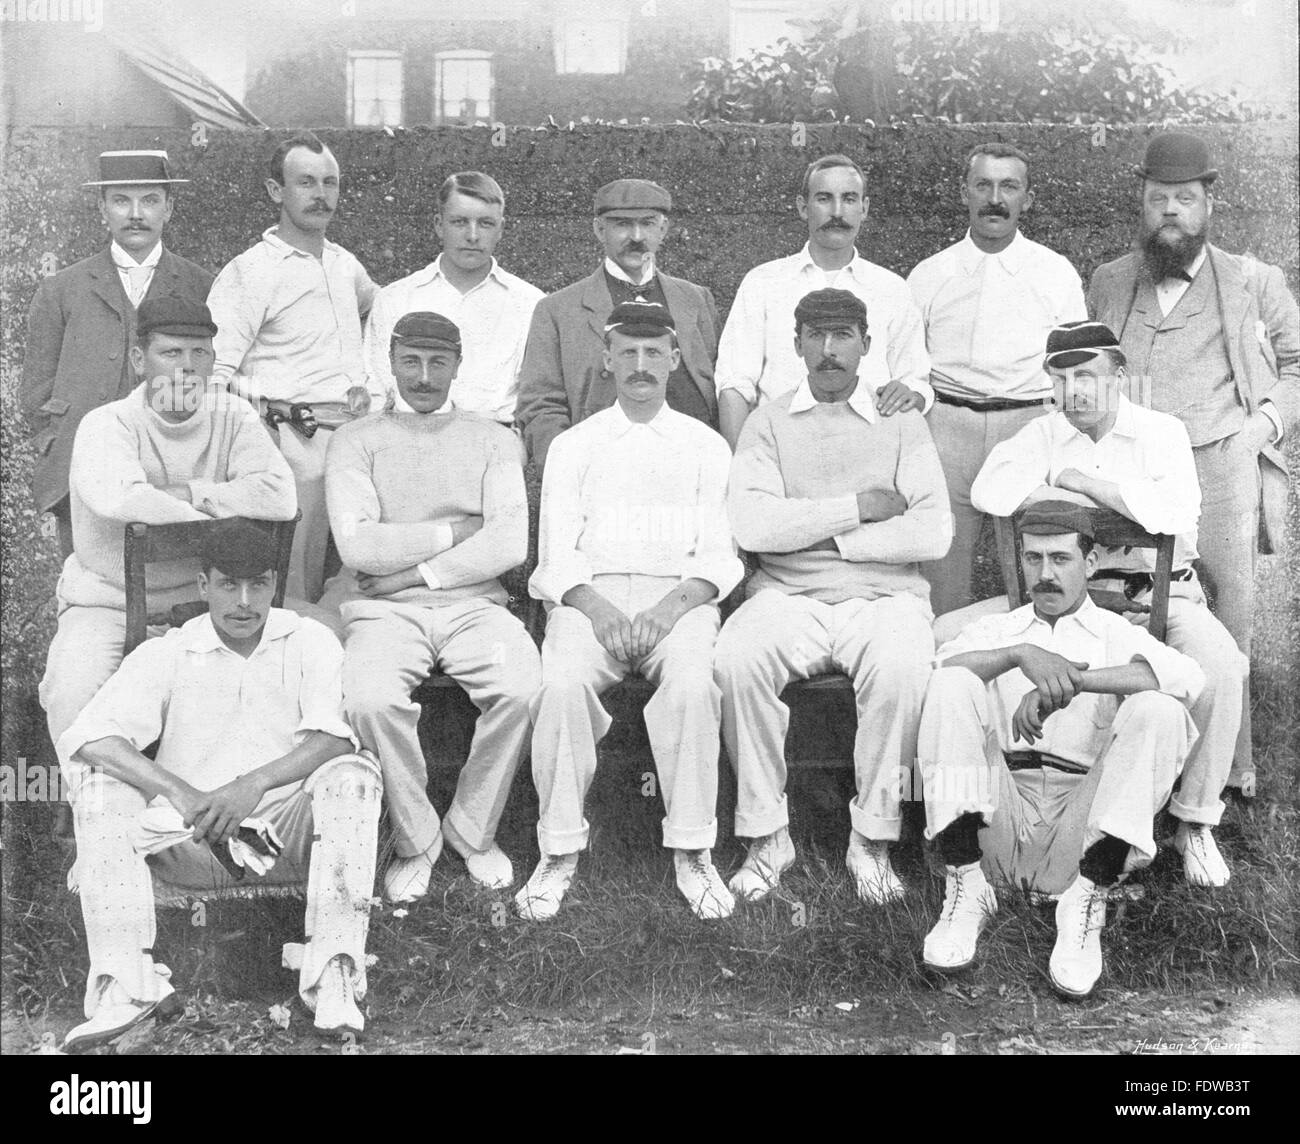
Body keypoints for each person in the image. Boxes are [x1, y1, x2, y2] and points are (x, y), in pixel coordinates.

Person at [55, 520, 382, 1050]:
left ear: (276, 582)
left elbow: (337, 739)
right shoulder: (169, 651)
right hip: (188, 837)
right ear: (203, 585)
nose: (244, 601)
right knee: (99, 788)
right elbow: (92, 738)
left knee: (356, 776)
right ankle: (126, 987)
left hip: (283, 836)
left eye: (258, 584)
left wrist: (251, 785)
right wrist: (182, 793)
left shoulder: (309, 640)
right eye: (229, 584)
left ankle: (333, 974)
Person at [969, 320, 1247, 887]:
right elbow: (989, 493)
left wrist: (1079, 483)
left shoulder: (1161, 431)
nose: (1075, 391)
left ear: (1120, 376)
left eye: (1089, 375)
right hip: (1067, 599)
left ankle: (1193, 821)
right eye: (1063, 378)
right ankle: (970, 811)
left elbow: (1174, 517)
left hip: (1159, 595)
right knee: (948, 642)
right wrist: (1083, 495)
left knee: (1221, 663)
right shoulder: (1042, 433)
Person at [715, 288, 951, 905]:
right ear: (796, 346)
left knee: (902, 668)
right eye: (815, 337)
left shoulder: (901, 419)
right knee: (735, 660)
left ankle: (872, 839)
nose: (828, 351)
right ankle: (767, 836)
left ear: (866, 346)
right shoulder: (767, 422)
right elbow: (752, 526)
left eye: (843, 336)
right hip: (786, 597)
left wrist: (829, 541)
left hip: (885, 598)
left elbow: (934, 530)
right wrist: (859, 509)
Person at [915, 501, 1204, 998]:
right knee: (950, 685)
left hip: (1082, 826)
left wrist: (1071, 682)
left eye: (1061, 559)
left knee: (1160, 709)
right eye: (1034, 559)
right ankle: (965, 886)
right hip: (997, 821)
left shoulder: (1117, 634)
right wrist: (1018, 654)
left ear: (1090, 563)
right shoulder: (997, 631)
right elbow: (943, 668)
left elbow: (1189, 679)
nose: (1045, 574)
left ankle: (1088, 899)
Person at [1086, 131, 1300, 793]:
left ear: (1209, 203)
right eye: (1158, 199)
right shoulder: (1111, 280)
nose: (1170, 211)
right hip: (1130, 473)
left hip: (1219, 466)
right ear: (1141, 203)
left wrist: (1259, 426)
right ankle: (1117, 752)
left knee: (1226, 617)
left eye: (1185, 198)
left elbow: (1297, 367)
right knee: (1124, 605)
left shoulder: (1253, 282)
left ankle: (1228, 771)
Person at [519, 302, 742, 922]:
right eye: (628, 352)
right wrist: (598, 610)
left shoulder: (706, 446)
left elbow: (721, 557)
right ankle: (558, 848)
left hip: (680, 596)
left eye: (654, 353)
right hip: (592, 598)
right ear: (607, 359)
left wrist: (670, 610)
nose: (640, 366)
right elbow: (556, 555)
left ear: (674, 360)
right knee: (562, 684)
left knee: (695, 685)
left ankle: (693, 849)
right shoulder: (573, 445)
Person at [324, 312, 541, 902]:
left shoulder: (494, 439)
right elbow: (358, 545)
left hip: (476, 607)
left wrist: (412, 572)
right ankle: (416, 839)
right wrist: (454, 530)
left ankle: (473, 831)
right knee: (369, 700)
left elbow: (507, 545)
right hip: (384, 614)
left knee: (522, 688)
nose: (423, 377)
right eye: (410, 361)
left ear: (457, 365)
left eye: (437, 362)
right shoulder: (355, 440)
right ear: (390, 362)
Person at [38, 297, 297, 748]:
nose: (187, 368)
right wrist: (228, 505)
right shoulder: (107, 423)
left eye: (200, 353)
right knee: (71, 690)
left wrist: (191, 494)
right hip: (108, 603)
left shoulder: (235, 417)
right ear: (140, 359)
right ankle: (96, 809)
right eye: (171, 353)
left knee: (272, 694)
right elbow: (122, 499)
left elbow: (280, 495)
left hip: (206, 605)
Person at [907, 142, 1087, 615]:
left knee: (1040, 565)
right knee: (940, 572)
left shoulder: (1056, 273)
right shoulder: (928, 275)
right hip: (947, 428)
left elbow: (1074, 368)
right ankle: (943, 673)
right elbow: (906, 363)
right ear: (964, 192)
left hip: (1027, 426)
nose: (995, 198)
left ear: (1027, 198)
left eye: (1009, 186)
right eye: (983, 185)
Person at [207, 132, 380, 603]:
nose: (320, 195)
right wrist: (256, 434)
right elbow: (213, 373)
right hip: (291, 443)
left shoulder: (346, 265)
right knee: (293, 587)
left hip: (354, 442)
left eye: (330, 183)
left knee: (356, 583)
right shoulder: (251, 271)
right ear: (275, 191)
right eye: (306, 182)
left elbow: (377, 312)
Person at [21, 150, 212, 558]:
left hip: (172, 472)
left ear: (169, 208)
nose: (136, 214)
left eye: (150, 200)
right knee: (86, 586)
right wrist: (57, 444)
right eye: (121, 200)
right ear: (102, 208)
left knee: (167, 591)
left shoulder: (201, 286)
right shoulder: (61, 290)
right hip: (81, 471)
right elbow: (36, 392)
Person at [715, 153, 932, 451]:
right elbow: (734, 385)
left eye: (850, 199)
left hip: (869, 450)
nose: (837, 212)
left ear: (864, 208)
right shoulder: (763, 282)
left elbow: (916, 382)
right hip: (782, 450)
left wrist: (910, 393)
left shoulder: (891, 288)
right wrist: (746, 465)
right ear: (803, 207)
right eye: (824, 199)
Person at [515, 179, 720, 468]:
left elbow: (717, 387)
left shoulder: (697, 300)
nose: (636, 236)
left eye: (648, 224)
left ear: (663, 230)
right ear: (600, 229)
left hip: (689, 464)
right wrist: (567, 469)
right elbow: (540, 406)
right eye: (622, 224)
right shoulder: (557, 310)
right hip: (602, 469)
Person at [363, 171, 543, 424]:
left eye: (485, 223)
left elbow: (537, 398)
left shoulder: (530, 303)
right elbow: (377, 390)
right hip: (409, 435)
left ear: (501, 229)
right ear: (439, 225)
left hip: (495, 440)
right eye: (460, 222)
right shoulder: (396, 299)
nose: (472, 235)